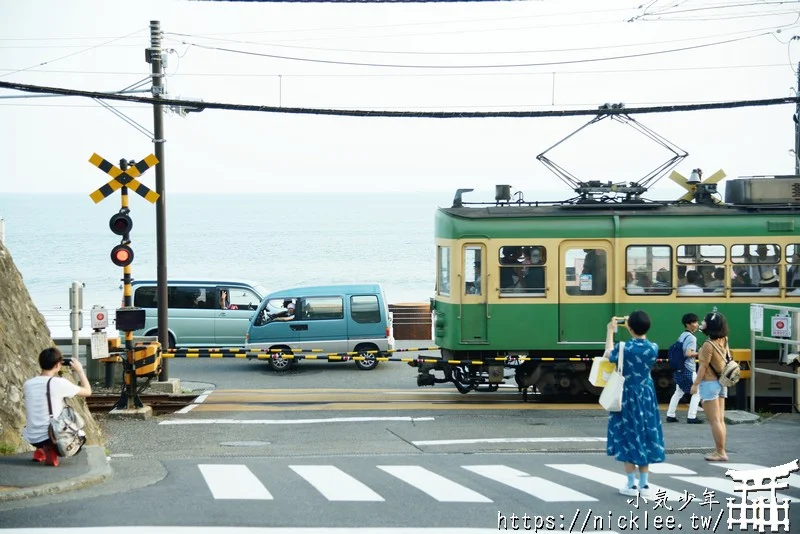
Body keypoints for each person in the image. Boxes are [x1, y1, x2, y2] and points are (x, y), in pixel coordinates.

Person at [602, 310, 665, 499]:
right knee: (645, 434)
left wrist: (610, 332)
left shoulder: (623, 348)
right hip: (646, 395)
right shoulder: (653, 347)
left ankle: (631, 485)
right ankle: (644, 484)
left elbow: (607, 354)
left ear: (629, 328)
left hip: (627, 395)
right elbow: (643, 341)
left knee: (628, 435)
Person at [22, 347, 92, 467]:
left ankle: (40, 450)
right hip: (51, 437)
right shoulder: (59, 383)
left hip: (31, 436)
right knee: (81, 436)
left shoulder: (28, 384)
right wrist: (80, 370)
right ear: (58, 364)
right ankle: (50, 450)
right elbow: (87, 391)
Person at [690, 311, 730, 462]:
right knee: (720, 420)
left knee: (714, 421)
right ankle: (721, 450)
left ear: (710, 325)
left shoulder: (708, 345)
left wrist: (695, 385)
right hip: (722, 382)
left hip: (709, 383)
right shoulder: (723, 339)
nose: (702, 322)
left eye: (705, 320)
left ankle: (720, 452)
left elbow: (703, 368)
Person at [666, 313, 703, 424]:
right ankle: (692, 417)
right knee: (697, 392)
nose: (697, 324)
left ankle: (670, 415)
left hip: (679, 368)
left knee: (678, 392)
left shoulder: (682, 335)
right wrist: (700, 353)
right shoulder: (691, 337)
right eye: (695, 322)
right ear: (688, 324)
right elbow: (688, 353)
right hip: (688, 368)